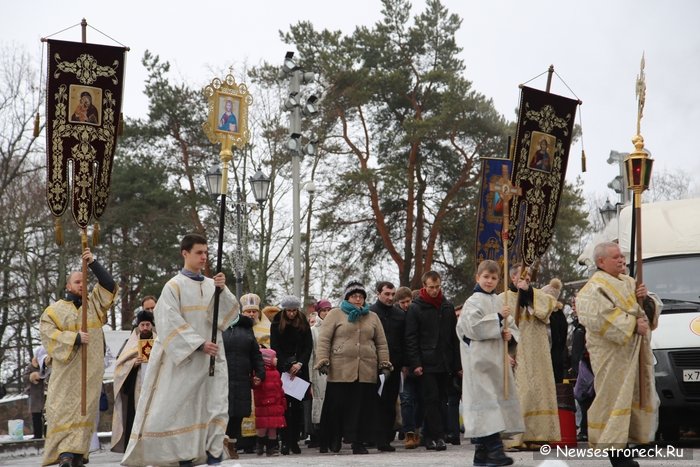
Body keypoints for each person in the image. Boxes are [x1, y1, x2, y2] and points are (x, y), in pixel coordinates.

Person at [121, 233, 240, 467]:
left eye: (206, 252)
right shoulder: (173, 286)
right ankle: (183, 457)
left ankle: (213, 453)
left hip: (213, 358)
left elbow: (228, 318)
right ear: (185, 253)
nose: (204, 257)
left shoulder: (211, 285)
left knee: (214, 404)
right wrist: (198, 343)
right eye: (199, 252)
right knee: (181, 410)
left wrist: (222, 290)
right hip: (184, 361)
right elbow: (168, 322)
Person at [576, 242, 661, 467]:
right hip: (611, 355)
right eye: (616, 257)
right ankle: (618, 455)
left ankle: (630, 445)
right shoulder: (593, 288)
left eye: (622, 256)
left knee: (633, 398)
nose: (622, 260)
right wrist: (634, 324)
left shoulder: (630, 282)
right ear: (601, 262)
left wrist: (647, 300)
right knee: (614, 399)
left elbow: (648, 308)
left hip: (634, 354)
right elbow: (598, 317)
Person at [40, 247, 117, 467]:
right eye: (77, 282)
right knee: (62, 410)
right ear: (68, 286)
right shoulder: (53, 311)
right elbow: (48, 335)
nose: (82, 285)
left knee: (85, 411)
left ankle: (77, 454)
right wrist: (74, 338)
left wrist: (92, 262)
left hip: (90, 371)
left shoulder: (93, 305)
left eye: (84, 281)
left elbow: (110, 286)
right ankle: (65, 453)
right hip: (66, 373)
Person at [457, 259, 523, 466]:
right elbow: (470, 328)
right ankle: (495, 452)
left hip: (496, 362)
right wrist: (496, 319)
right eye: (486, 277)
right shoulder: (473, 302)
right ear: (478, 277)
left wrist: (509, 336)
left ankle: (482, 455)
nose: (489, 281)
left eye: (494, 278)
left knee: (493, 405)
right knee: (487, 407)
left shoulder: (498, 301)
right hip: (479, 362)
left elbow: (511, 326)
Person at [314, 280, 392, 455]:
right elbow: (324, 340)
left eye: (361, 296)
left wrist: (384, 363)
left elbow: (381, 343)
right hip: (340, 369)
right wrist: (323, 360)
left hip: (366, 369)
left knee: (361, 409)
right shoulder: (335, 314)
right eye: (354, 296)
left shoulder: (372, 317)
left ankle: (358, 441)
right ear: (347, 297)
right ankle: (333, 439)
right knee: (336, 407)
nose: (358, 299)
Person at [502, 264, 560, 448]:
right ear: (512, 278)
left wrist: (527, 294)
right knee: (522, 392)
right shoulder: (501, 299)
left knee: (538, 392)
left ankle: (537, 436)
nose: (526, 282)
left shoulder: (536, 295)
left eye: (528, 279)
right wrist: (504, 353)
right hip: (516, 352)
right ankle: (515, 438)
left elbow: (546, 308)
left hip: (538, 352)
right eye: (522, 278)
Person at [405, 271, 461, 452]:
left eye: (437, 287)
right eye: (431, 287)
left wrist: (457, 365)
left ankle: (433, 435)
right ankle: (435, 437)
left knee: (442, 400)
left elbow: (454, 338)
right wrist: (416, 363)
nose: (435, 290)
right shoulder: (416, 307)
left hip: (444, 361)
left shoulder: (447, 306)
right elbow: (411, 338)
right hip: (426, 362)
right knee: (430, 399)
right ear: (424, 286)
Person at [222, 293, 265, 459]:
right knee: (223, 412)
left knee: (238, 413)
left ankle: (232, 444)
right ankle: (220, 444)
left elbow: (255, 354)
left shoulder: (246, 328)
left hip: (241, 377)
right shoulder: (219, 326)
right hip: (222, 378)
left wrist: (259, 372)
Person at [270, 295, 313, 455]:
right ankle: (285, 441)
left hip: (300, 369)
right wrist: (287, 366)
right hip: (284, 370)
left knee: (297, 408)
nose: (292, 313)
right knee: (284, 408)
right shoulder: (276, 323)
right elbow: (275, 346)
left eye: (294, 310)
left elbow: (308, 346)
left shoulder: (303, 322)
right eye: (289, 310)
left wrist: (300, 363)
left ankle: (294, 440)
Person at [111, 309, 157, 453]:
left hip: (155, 387)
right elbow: (119, 367)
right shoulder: (130, 343)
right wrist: (133, 364)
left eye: (147, 325)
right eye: (142, 325)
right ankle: (134, 448)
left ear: (152, 326)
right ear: (138, 326)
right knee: (135, 417)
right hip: (136, 387)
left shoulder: (159, 341)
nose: (144, 328)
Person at [370, 281, 405, 452]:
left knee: (390, 402)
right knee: (373, 402)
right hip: (372, 365)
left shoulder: (399, 315)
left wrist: (404, 363)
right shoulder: (370, 313)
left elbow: (405, 340)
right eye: (387, 294)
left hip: (394, 365)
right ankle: (372, 436)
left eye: (393, 294)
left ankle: (385, 437)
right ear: (378, 293)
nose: (390, 297)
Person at [394, 286, 422, 449]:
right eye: (403, 302)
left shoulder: (416, 313)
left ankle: (417, 429)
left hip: (417, 362)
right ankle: (409, 432)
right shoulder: (397, 317)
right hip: (403, 365)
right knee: (406, 399)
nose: (406, 305)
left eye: (408, 301)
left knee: (419, 399)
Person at [253, 348, 286, 456]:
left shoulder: (276, 372)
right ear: (267, 360)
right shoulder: (260, 374)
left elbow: (279, 387)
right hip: (264, 405)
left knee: (273, 428)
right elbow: (257, 389)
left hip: (275, 406)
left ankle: (272, 447)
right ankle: (260, 444)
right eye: (274, 357)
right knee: (262, 427)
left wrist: (282, 399)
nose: (276, 359)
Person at [308, 299, 331, 448]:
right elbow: (311, 356)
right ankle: (320, 436)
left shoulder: (335, 328)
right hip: (318, 372)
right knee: (320, 402)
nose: (327, 313)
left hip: (334, 372)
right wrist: (310, 377)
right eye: (324, 310)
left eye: (329, 310)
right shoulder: (313, 331)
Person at [24, 346, 48, 440]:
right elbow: (25, 377)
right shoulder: (30, 366)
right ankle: (37, 435)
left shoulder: (47, 365)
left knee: (47, 417)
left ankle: (47, 434)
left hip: (45, 394)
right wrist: (31, 377)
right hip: (35, 395)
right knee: (36, 417)